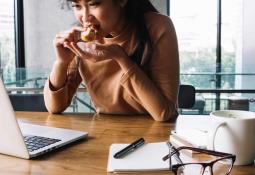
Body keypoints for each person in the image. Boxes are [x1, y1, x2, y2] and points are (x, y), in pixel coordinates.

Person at [44, 0, 180, 121]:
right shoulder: (80, 40)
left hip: (154, 137)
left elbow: (164, 113)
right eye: (77, 6)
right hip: (105, 132)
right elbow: (54, 107)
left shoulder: (158, 26)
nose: (85, 17)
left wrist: (120, 57)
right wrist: (61, 63)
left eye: (94, 4)